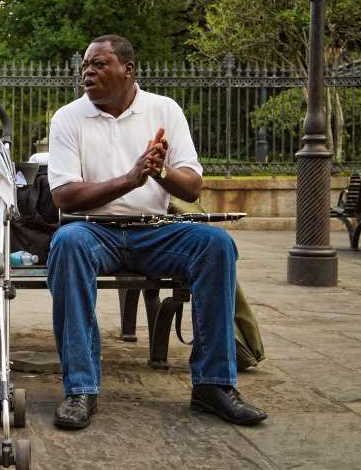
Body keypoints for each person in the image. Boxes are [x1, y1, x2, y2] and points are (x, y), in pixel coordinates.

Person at [46, 34, 267, 429]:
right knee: (66, 243)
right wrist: (131, 179)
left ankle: (213, 386)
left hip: (155, 229)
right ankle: (81, 388)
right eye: (85, 66)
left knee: (216, 244)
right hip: (94, 231)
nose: (87, 73)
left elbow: (192, 187)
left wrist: (159, 171)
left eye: (98, 64)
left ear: (127, 70)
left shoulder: (164, 110)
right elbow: (64, 196)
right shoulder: (68, 117)